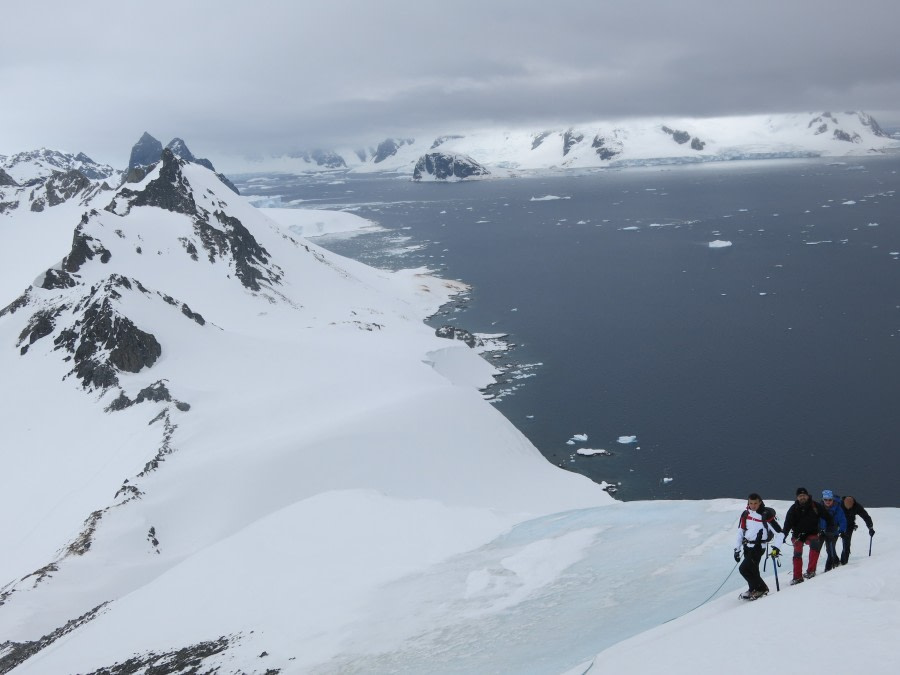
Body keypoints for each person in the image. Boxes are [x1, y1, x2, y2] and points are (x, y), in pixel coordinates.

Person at [733, 493, 782, 600]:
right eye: (751, 503)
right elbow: (740, 532)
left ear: (760, 502)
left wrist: (776, 548)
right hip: (747, 546)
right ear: (748, 503)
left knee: (744, 569)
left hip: (759, 547)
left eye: (755, 503)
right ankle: (753, 589)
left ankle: (762, 588)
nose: (753, 505)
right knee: (753, 569)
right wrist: (737, 549)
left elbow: (779, 533)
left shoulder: (766, 515)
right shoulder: (745, 514)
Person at [782, 487, 835, 585]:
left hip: (813, 533)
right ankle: (797, 577)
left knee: (815, 548)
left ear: (807, 495)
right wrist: (782, 536)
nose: (802, 497)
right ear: (797, 497)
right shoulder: (793, 509)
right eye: (800, 496)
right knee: (797, 554)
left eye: (804, 495)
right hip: (798, 535)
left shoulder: (815, 506)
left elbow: (828, 518)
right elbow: (787, 524)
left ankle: (811, 571)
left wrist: (831, 530)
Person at [838, 494, 875, 565]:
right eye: (847, 507)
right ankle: (833, 560)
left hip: (849, 526)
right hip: (837, 525)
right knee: (831, 544)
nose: (848, 509)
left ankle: (844, 562)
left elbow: (866, 516)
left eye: (850, 507)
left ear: (853, 504)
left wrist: (870, 528)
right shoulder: (839, 504)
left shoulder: (857, 506)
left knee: (846, 544)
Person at [820, 489, 847, 572]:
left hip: (833, 531)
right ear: (823, 499)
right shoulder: (819, 507)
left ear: (832, 499)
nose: (828, 501)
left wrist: (842, 531)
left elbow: (842, 520)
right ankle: (835, 560)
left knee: (830, 548)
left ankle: (828, 567)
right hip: (823, 531)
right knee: (829, 549)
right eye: (825, 500)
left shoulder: (838, 508)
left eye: (830, 500)